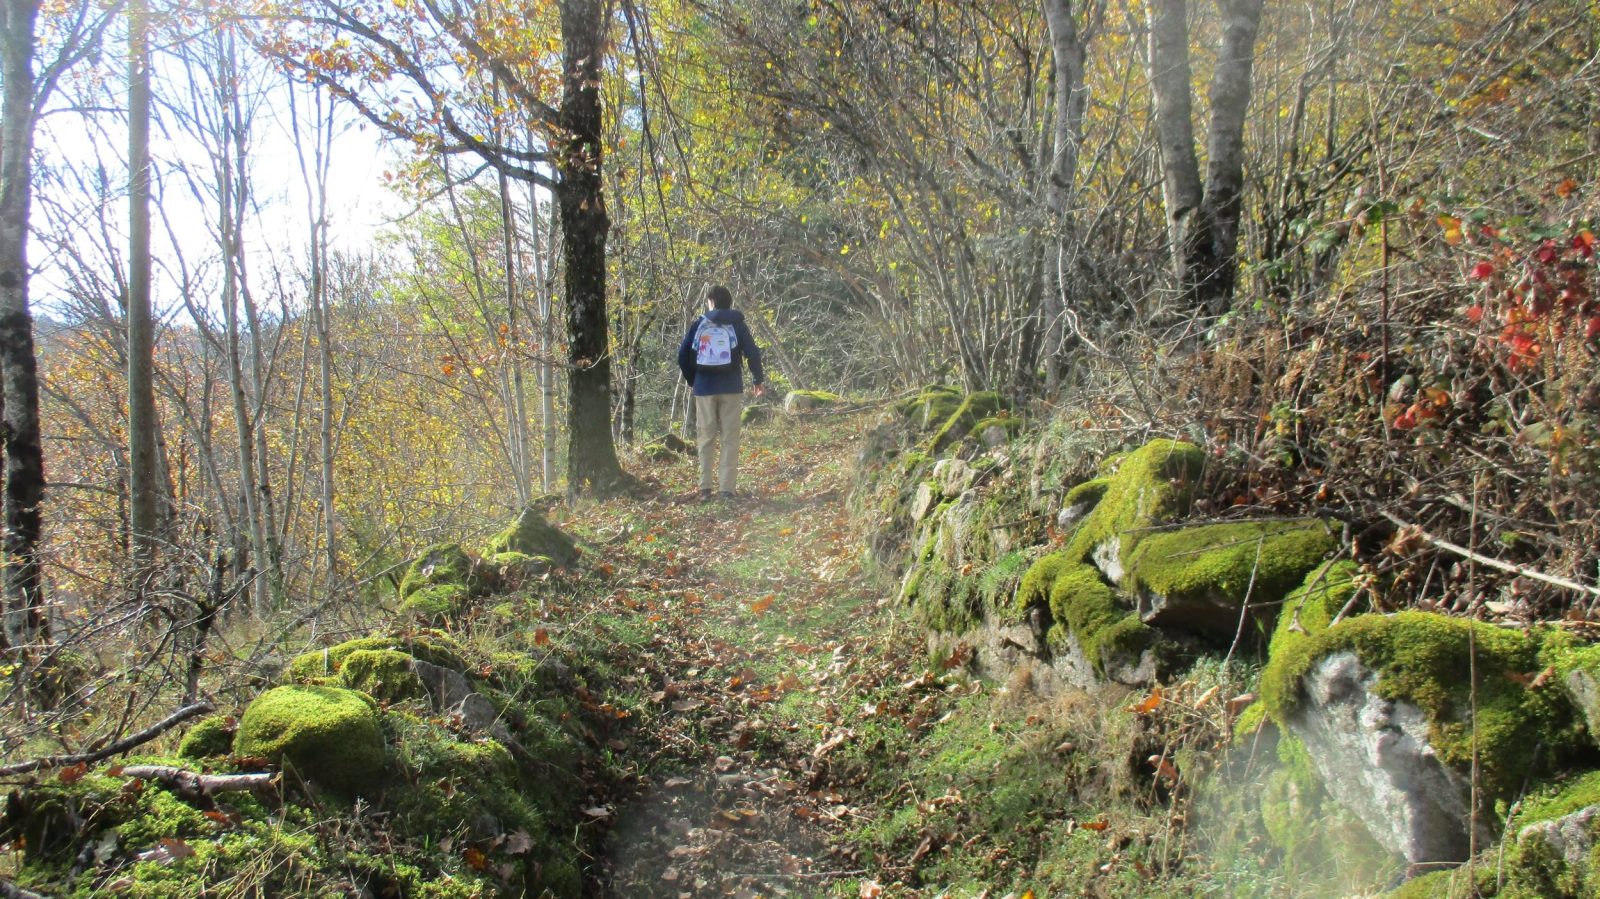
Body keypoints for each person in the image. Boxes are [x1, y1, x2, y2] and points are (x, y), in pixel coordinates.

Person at [677, 285, 766, 500]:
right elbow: (752, 352)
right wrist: (757, 379)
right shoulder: (737, 324)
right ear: (729, 302)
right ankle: (726, 489)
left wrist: (693, 379)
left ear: (711, 301)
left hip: (704, 388)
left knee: (706, 438)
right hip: (731, 387)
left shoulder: (700, 323)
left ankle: (705, 489)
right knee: (730, 438)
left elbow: (682, 354)